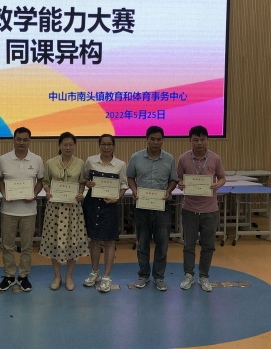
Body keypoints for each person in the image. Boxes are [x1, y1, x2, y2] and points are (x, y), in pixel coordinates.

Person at [126, 125, 178, 291]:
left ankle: (159, 277)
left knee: (162, 243)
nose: (156, 142)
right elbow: (130, 177)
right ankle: (143, 275)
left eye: (159, 139)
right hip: (141, 207)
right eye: (152, 139)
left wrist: (169, 191)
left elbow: (173, 179)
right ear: (146, 139)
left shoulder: (169, 159)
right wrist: (134, 190)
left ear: (163, 140)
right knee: (142, 243)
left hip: (162, 207)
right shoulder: (136, 157)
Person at [177, 125, 226, 292]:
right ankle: (188, 275)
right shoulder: (183, 158)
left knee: (208, 246)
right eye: (196, 140)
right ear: (190, 140)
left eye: (202, 139)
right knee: (188, 245)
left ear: (207, 140)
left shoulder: (215, 158)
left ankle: (204, 276)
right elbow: (179, 178)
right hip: (189, 209)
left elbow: (222, 178)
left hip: (210, 210)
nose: (199, 143)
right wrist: (180, 183)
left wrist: (217, 184)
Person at [0, 127, 44, 292]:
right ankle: (9, 275)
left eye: (25, 139)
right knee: (7, 245)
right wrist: (4, 192)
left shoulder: (37, 160)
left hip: (29, 211)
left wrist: (34, 194)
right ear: (14, 140)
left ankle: (23, 276)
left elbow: (40, 181)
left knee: (27, 246)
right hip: (8, 210)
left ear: (29, 141)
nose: (21, 142)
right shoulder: (3, 159)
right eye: (18, 139)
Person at [39, 132, 89, 291]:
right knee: (54, 242)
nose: (68, 147)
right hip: (54, 209)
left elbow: (82, 183)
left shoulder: (80, 163)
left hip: (73, 209)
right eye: (65, 144)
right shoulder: (50, 162)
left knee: (72, 242)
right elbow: (45, 181)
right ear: (59, 145)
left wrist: (80, 193)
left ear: (75, 146)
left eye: (71, 144)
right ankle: (57, 276)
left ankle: (69, 276)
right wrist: (48, 192)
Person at [82, 133, 128, 293]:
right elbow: (85, 178)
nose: (106, 147)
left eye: (109, 144)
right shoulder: (90, 161)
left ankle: (107, 277)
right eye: (103, 144)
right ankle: (94, 272)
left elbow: (124, 185)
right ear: (99, 145)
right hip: (92, 204)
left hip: (110, 205)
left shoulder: (120, 164)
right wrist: (87, 183)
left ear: (114, 146)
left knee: (109, 241)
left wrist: (117, 198)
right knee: (94, 239)